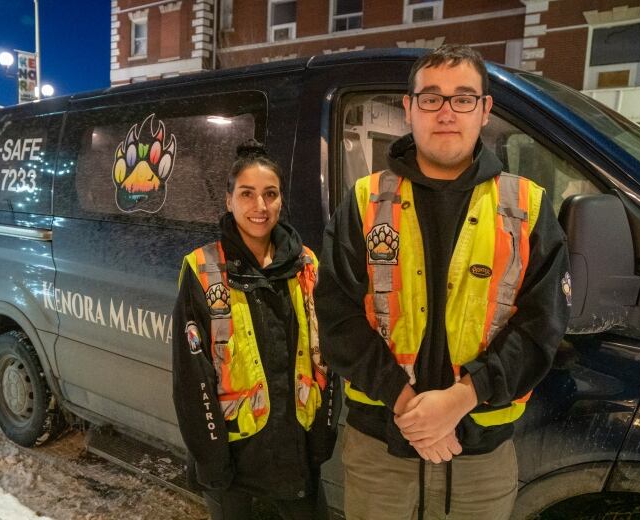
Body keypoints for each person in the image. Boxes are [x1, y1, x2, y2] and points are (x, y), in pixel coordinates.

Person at [314, 44, 571, 520]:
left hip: (481, 459)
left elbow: (543, 328)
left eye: (463, 98)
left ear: (485, 109)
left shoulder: (528, 208)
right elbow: (336, 317)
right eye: (431, 98)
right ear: (409, 108)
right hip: (380, 451)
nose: (446, 112)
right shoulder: (365, 201)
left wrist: (461, 399)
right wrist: (410, 405)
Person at [172, 140, 340, 520]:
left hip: (297, 452)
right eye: (247, 194)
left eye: (270, 194)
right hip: (234, 460)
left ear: (282, 201)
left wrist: (322, 437)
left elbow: (327, 359)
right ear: (229, 200)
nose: (259, 206)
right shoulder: (203, 269)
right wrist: (211, 462)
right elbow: (190, 377)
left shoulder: (307, 264)